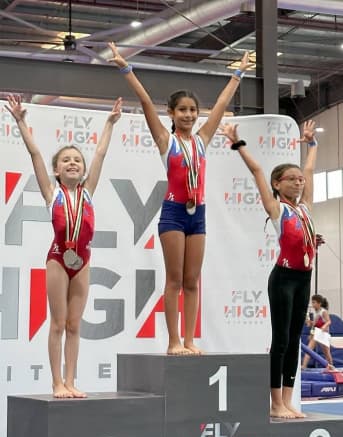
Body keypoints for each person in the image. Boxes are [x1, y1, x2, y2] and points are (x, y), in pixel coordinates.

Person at [108, 42, 250, 356]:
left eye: (192, 110)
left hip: (198, 214)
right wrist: (125, 68)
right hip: (173, 213)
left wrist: (238, 72)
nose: (189, 115)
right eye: (182, 110)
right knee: (174, 280)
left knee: (192, 281)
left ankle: (189, 340)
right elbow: (146, 102)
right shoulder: (165, 140)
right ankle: (173, 341)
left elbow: (222, 104)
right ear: (171, 113)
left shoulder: (202, 140)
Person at [6, 94, 122, 398]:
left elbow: (100, 154)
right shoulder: (51, 192)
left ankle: (71, 381)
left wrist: (109, 123)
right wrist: (21, 122)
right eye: (66, 160)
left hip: (83, 262)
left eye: (77, 161)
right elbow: (35, 156)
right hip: (58, 260)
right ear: (57, 170)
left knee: (74, 325)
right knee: (57, 323)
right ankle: (56, 382)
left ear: (82, 170)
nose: (73, 163)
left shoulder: (89, 192)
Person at [219, 120, 317, 418]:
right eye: (292, 179)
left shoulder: (305, 208)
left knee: (296, 338)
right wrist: (238, 144)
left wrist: (312, 145)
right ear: (278, 184)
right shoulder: (278, 209)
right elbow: (258, 171)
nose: (299, 182)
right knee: (282, 340)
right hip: (283, 279)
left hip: (303, 279)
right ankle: (275, 402)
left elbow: (311, 170)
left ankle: (288, 400)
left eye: (300, 180)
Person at [302, 294, 333, 369]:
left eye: (314, 302)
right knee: (308, 350)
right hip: (317, 333)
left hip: (323, 334)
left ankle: (331, 367)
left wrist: (323, 327)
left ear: (319, 303)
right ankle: (304, 366)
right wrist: (309, 322)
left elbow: (329, 321)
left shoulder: (323, 311)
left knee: (327, 353)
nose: (312, 304)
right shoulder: (316, 313)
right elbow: (314, 325)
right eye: (312, 302)